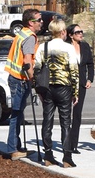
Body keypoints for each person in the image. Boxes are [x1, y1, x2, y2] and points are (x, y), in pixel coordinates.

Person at [33, 18, 79, 167]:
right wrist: (75, 92)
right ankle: (67, 157)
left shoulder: (42, 47)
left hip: (47, 87)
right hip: (64, 87)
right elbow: (74, 70)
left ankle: (48, 154)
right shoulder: (68, 48)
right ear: (63, 32)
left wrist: (38, 89)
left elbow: (37, 69)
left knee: (47, 121)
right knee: (66, 122)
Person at [4, 8, 39, 160]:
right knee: (16, 114)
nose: (41, 22)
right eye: (39, 20)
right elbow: (27, 61)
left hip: (15, 77)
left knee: (17, 115)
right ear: (31, 22)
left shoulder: (22, 33)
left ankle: (16, 146)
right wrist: (33, 79)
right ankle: (13, 149)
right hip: (20, 79)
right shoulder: (30, 37)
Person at [63, 24, 94, 155]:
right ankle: (66, 144)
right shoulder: (65, 47)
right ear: (70, 35)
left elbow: (90, 64)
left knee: (77, 114)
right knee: (65, 115)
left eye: (81, 32)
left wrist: (89, 79)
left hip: (81, 84)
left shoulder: (85, 46)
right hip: (66, 84)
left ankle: (73, 145)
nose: (81, 34)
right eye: (77, 32)